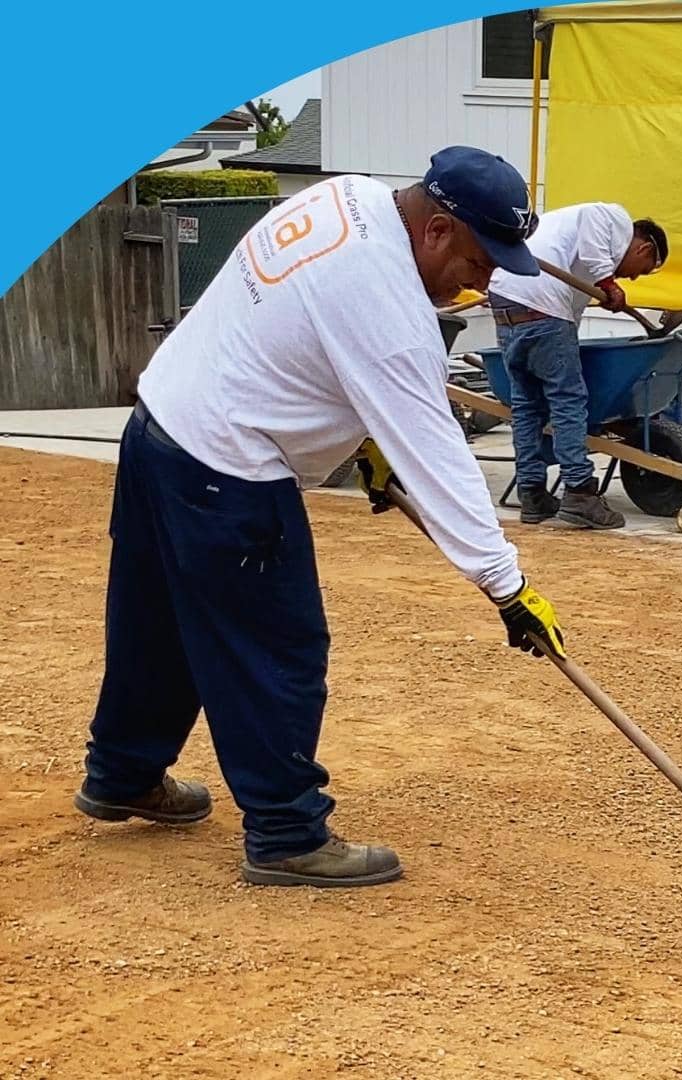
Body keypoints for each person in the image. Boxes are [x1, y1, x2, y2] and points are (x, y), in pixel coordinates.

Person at [72, 147, 568, 889]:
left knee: (160, 625)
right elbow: (440, 460)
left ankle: (122, 773)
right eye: (478, 259)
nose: (484, 281)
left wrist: (364, 441)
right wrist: (508, 588)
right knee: (278, 648)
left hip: (161, 428)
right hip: (228, 468)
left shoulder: (347, 198)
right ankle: (286, 831)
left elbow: (303, 333)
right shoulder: (389, 306)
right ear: (436, 230)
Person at [486, 208, 682, 529]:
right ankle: (580, 493)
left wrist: (603, 290)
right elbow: (593, 244)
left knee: (527, 407)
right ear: (644, 248)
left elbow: (570, 315)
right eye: (640, 272)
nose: (630, 278)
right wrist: (610, 285)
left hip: (507, 299)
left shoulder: (567, 246)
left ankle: (532, 493)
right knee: (568, 401)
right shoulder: (612, 217)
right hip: (539, 299)